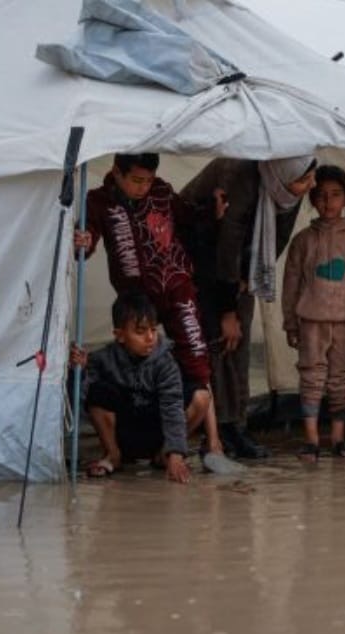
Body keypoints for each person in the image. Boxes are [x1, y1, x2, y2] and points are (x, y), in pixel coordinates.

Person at [75, 152, 228, 459]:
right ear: (116, 172)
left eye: (148, 180)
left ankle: (213, 442)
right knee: (135, 357)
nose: (143, 187)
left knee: (196, 357)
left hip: (177, 286)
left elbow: (189, 217)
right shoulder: (99, 200)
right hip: (136, 296)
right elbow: (88, 234)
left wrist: (212, 212)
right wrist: (84, 241)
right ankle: (125, 444)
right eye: (136, 180)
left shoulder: (161, 191)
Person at [180, 155, 317, 459]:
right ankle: (216, 429)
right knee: (219, 341)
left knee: (237, 345)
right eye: (304, 179)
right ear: (281, 175)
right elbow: (227, 242)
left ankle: (236, 426)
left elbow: (277, 238)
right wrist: (228, 308)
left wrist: (246, 280)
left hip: (238, 269)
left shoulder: (284, 190)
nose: (312, 185)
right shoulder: (238, 176)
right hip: (200, 262)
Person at [281, 165, 345, 462]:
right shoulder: (303, 240)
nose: (328, 202)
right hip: (311, 321)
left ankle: (339, 439)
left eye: (335, 195)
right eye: (321, 196)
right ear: (312, 199)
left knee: (341, 378)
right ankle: (311, 441)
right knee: (311, 377)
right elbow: (291, 284)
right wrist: (290, 323)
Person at [69, 291, 191, 484]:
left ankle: (164, 455)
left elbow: (172, 406)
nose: (150, 338)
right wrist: (79, 371)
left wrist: (176, 452)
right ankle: (113, 455)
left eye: (153, 330)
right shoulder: (103, 359)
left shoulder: (166, 363)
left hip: (156, 432)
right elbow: (81, 400)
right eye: (140, 332)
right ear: (120, 335)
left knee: (196, 396)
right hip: (124, 433)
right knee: (98, 391)